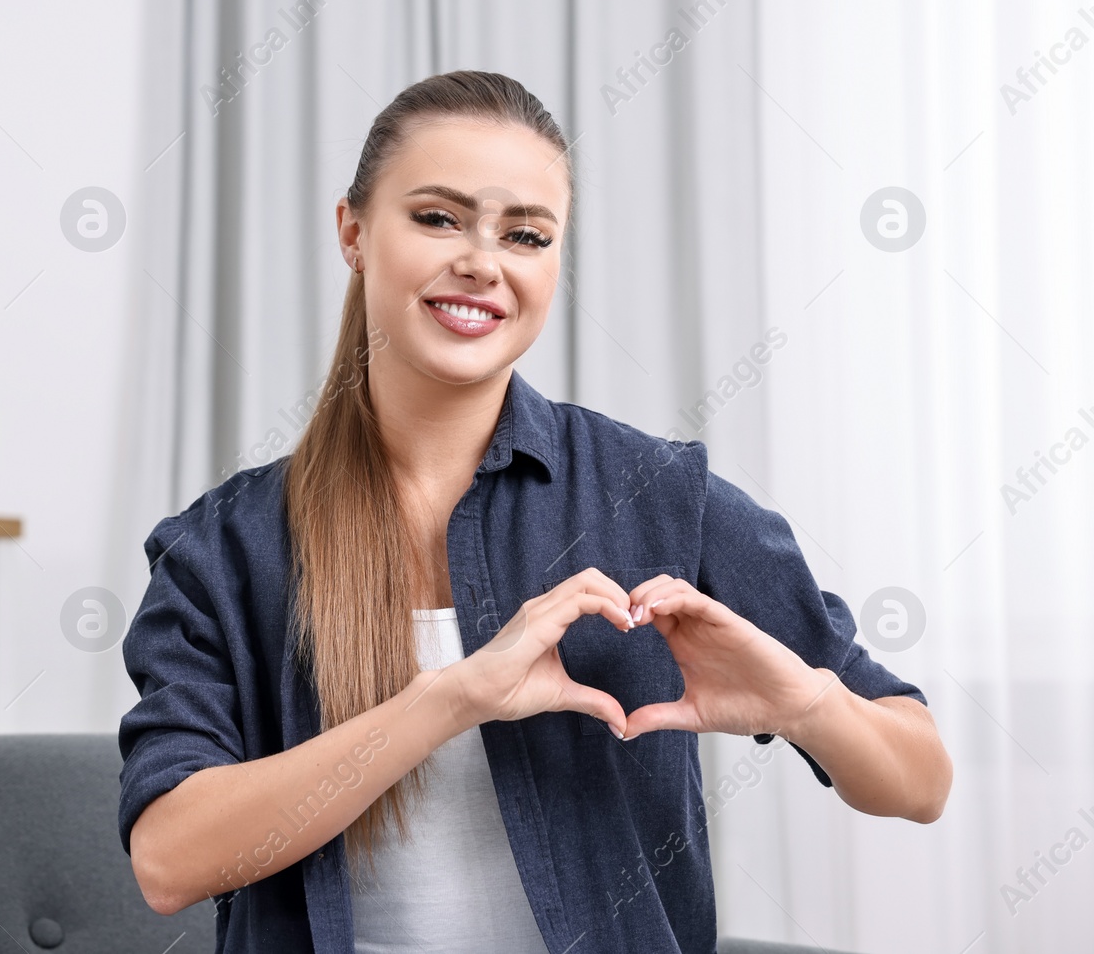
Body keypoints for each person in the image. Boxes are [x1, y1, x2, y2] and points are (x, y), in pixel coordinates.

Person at [116, 70, 951, 954]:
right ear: (354, 232)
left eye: (526, 233)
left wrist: (807, 702)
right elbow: (170, 858)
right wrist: (455, 697)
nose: (482, 261)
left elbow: (919, 779)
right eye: (437, 217)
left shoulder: (661, 494)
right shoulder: (226, 546)